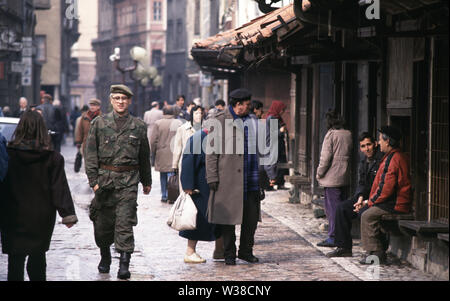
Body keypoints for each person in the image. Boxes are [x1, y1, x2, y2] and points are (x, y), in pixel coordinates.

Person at [0, 110, 78, 281]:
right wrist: (67, 214)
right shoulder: (53, 158)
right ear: (43, 130)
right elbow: (59, 188)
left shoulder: (8, 155)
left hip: (12, 214)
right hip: (41, 217)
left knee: (15, 262)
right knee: (38, 260)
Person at [84, 84, 152, 280]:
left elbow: (144, 156)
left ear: (129, 101)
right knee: (103, 224)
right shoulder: (99, 123)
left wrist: (146, 181)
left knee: (125, 222)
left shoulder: (138, 126)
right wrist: (94, 182)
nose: (121, 102)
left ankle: (124, 263)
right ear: (111, 101)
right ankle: (105, 255)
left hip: (129, 182)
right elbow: (91, 155)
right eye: (117, 98)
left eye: (124, 98)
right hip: (104, 182)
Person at [205, 88, 261, 265]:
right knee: (228, 219)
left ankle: (246, 251)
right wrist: (212, 177)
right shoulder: (219, 121)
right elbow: (211, 153)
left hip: (250, 178)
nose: (249, 107)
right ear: (238, 106)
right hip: (228, 179)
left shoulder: (252, 121)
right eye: (247, 104)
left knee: (251, 219)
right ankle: (229, 254)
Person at [357, 126, 412, 265]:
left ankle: (376, 253)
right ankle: (375, 251)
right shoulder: (392, 156)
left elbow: (386, 188)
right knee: (367, 212)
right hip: (392, 200)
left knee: (367, 215)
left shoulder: (393, 158)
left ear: (388, 142)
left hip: (395, 202)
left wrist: (369, 202)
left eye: (381, 139)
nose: (378, 143)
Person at [326, 132, 384, 257]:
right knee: (342, 208)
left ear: (375, 144)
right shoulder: (363, 161)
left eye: (368, 145)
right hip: (364, 197)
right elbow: (362, 183)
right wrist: (359, 198)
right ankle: (344, 247)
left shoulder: (381, 160)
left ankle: (375, 250)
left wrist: (365, 201)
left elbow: (381, 186)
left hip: (377, 199)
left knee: (364, 213)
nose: (366, 149)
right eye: (363, 146)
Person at [179, 127, 224, 263]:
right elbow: (187, 161)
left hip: (218, 184)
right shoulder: (198, 137)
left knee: (222, 217)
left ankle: (220, 249)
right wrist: (188, 185)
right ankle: (190, 251)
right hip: (200, 184)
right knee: (197, 217)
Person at [316, 110, 352, 248]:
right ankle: (342, 235)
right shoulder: (348, 134)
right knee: (342, 208)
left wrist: (319, 173)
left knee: (332, 209)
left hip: (332, 177)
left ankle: (333, 236)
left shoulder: (330, 135)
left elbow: (325, 158)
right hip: (344, 175)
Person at [150, 105, 183, 202]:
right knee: (172, 174)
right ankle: (171, 194)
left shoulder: (158, 123)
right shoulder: (178, 123)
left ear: (163, 113)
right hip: (174, 152)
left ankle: (164, 195)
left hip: (161, 152)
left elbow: (153, 140)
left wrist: (153, 151)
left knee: (162, 175)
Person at [172, 105, 204, 192]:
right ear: (192, 114)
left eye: (201, 113)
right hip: (186, 162)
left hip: (201, 163)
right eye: (196, 113)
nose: (199, 115)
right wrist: (174, 165)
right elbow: (177, 147)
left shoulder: (206, 129)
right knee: (185, 190)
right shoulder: (183, 129)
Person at [264, 100, 289, 190]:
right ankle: (270, 185)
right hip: (273, 145)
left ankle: (280, 183)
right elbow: (273, 134)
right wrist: (281, 130)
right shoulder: (272, 118)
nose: (283, 112)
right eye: (282, 110)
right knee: (272, 166)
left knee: (280, 164)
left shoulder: (277, 118)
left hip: (278, 145)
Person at [143, 101, 164, 166]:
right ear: (157, 105)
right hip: (158, 130)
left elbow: (145, 122)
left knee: (150, 145)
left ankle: (150, 160)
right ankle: (156, 161)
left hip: (149, 129)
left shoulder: (147, 113)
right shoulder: (160, 112)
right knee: (157, 145)